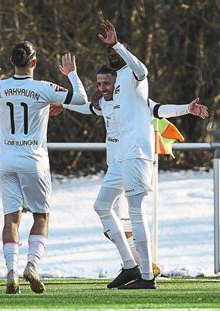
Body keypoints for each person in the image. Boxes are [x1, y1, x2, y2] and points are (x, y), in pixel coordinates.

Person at [51, 65, 209, 281]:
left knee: (129, 220)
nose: (102, 88)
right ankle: (133, 265)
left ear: (118, 83)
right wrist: (64, 104)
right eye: (99, 84)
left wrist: (186, 109)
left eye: (107, 83)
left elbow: (160, 110)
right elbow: (88, 107)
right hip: (116, 166)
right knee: (108, 216)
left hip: (133, 162)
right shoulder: (104, 104)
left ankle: (144, 269)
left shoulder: (134, 100)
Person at [0, 42, 87, 294]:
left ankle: (11, 271)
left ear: (12, 62)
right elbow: (81, 99)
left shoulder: (0, 88)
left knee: (11, 218)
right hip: (34, 163)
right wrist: (71, 74)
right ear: (34, 63)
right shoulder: (43, 88)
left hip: (8, 163)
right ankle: (32, 266)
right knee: (41, 217)